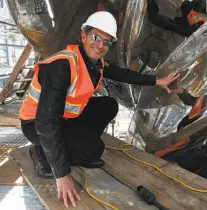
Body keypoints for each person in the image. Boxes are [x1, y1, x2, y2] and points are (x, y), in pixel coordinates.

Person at [18, 11, 180, 208]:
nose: (100, 45)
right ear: (83, 35)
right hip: (36, 124)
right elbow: (47, 122)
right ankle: (42, 155)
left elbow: (123, 74)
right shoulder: (62, 65)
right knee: (94, 149)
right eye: (96, 37)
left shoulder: (95, 63)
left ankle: (78, 147)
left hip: (64, 117)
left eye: (106, 42)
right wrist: (61, 174)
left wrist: (157, 81)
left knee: (109, 105)